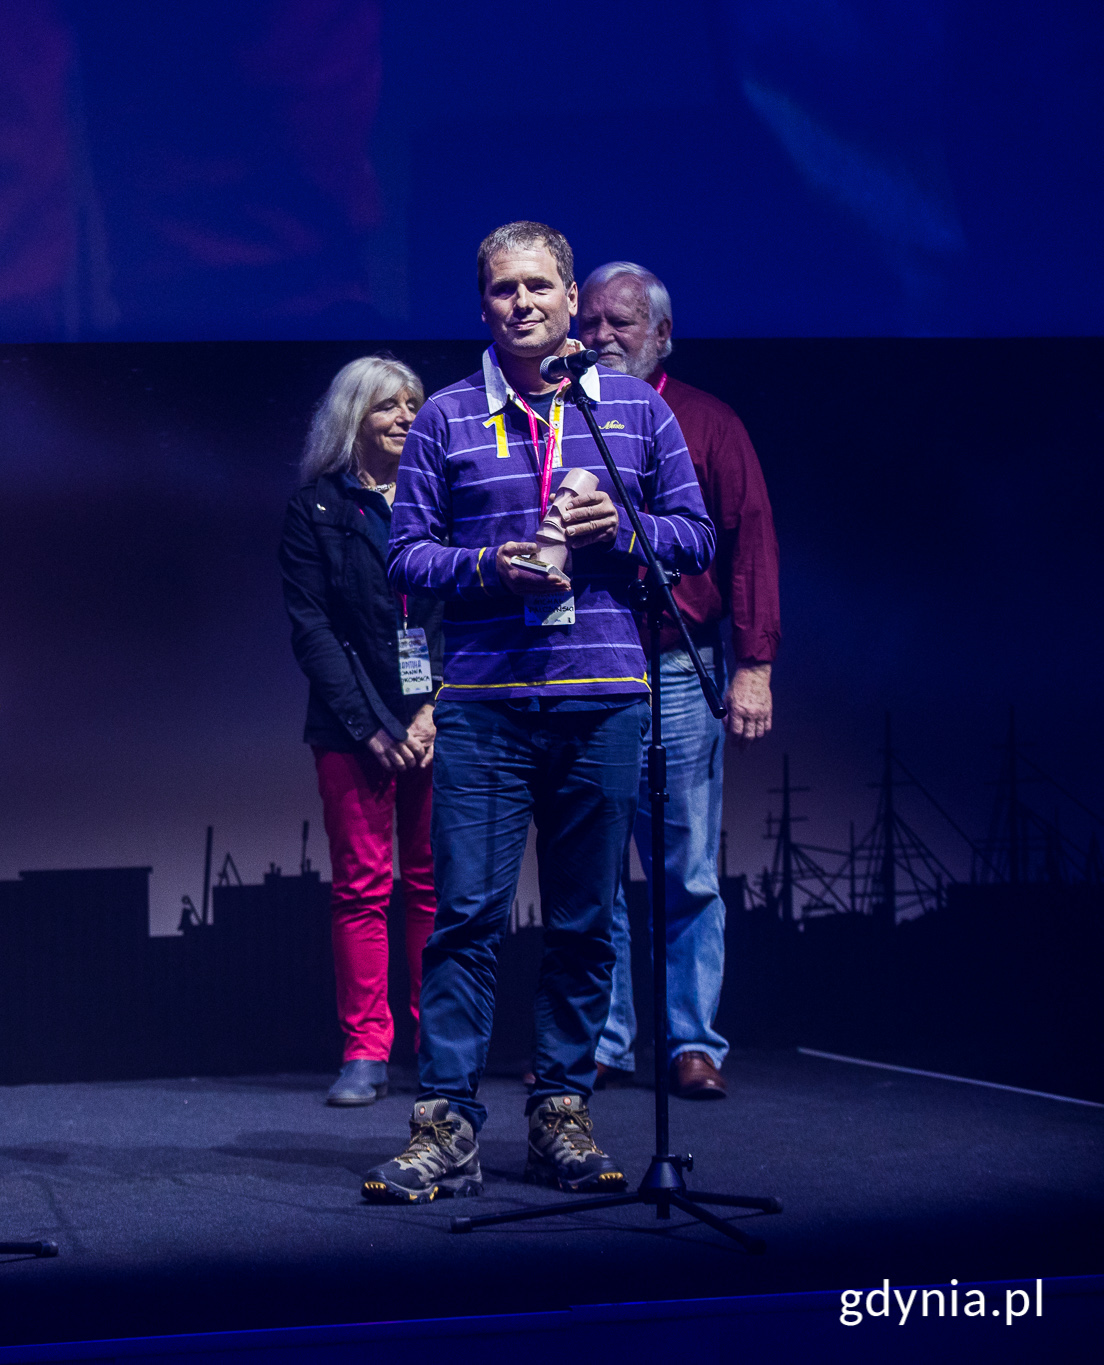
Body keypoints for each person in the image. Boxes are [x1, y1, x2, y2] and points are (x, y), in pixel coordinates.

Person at [361, 222, 715, 1204]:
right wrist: (486, 564)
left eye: (538, 288)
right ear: (481, 305)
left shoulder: (633, 415)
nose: (520, 304)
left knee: (583, 921)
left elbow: (692, 539)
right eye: (501, 290)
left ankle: (560, 1114)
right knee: (464, 920)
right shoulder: (442, 417)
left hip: (603, 701)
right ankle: (443, 1129)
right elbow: (404, 557)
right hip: (482, 705)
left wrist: (623, 529)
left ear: (569, 300)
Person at [578, 261, 780, 1101]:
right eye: (590, 322)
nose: (601, 337)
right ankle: (603, 1039)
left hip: (680, 661)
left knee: (686, 865)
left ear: (662, 333)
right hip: (586, 660)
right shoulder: (561, 418)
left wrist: (755, 666)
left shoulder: (705, 420)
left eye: (621, 322)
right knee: (594, 866)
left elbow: (751, 541)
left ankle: (694, 1041)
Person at [280, 357, 447, 1107]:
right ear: (355, 417)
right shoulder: (314, 508)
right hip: (353, 728)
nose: (407, 415)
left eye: (414, 402)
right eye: (389, 405)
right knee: (362, 887)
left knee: (435, 886)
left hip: (439, 720)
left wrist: (433, 709)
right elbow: (313, 630)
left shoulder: (444, 499)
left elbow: (458, 611)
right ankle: (365, 1049)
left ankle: (438, 1043)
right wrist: (374, 725)